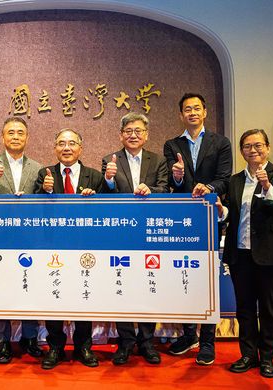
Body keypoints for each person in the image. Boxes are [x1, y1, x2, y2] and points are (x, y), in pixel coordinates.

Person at [218, 129, 273, 378]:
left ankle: (267, 358)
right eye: (247, 146)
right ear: (242, 151)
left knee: (269, 308)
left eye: (258, 145)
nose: (253, 150)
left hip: (270, 254)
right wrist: (221, 210)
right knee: (245, 308)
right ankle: (248, 355)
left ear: (268, 147)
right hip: (241, 253)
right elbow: (232, 215)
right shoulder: (235, 180)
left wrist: (265, 184)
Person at [35, 128, 113, 369]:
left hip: (84, 247)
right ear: (55, 148)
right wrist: (44, 192)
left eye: (71, 143)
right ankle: (55, 347)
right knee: (54, 294)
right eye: (61, 143)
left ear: (80, 148)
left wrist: (94, 199)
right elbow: (35, 210)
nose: (66, 148)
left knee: (84, 295)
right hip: (54, 246)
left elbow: (106, 211)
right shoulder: (45, 174)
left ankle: (83, 347)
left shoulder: (94, 176)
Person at [163, 93, 232, 365]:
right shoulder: (172, 144)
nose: (191, 113)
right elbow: (171, 182)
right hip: (182, 220)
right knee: (183, 275)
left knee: (207, 280)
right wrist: (177, 176)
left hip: (208, 217)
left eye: (196, 108)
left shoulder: (220, 142)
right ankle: (189, 333)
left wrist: (210, 188)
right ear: (180, 115)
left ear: (205, 112)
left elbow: (225, 179)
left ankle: (207, 341)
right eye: (186, 110)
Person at [101, 112, 169, 366]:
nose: (133, 135)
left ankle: (147, 341)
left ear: (146, 135)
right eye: (128, 130)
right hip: (121, 234)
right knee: (122, 286)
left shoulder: (158, 160)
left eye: (138, 130)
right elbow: (106, 194)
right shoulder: (110, 160)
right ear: (121, 135)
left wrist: (151, 190)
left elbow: (165, 188)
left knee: (148, 284)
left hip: (149, 233)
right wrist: (108, 179)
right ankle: (126, 341)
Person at [0, 117, 43, 363]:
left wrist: (44, 192)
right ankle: (2, 342)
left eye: (20, 133)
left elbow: (43, 204)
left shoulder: (37, 167)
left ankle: (30, 338)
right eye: (11, 133)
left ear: (27, 137)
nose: (16, 137)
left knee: (29, 286)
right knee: (0, 288)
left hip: (28, 239)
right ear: (2, 137)